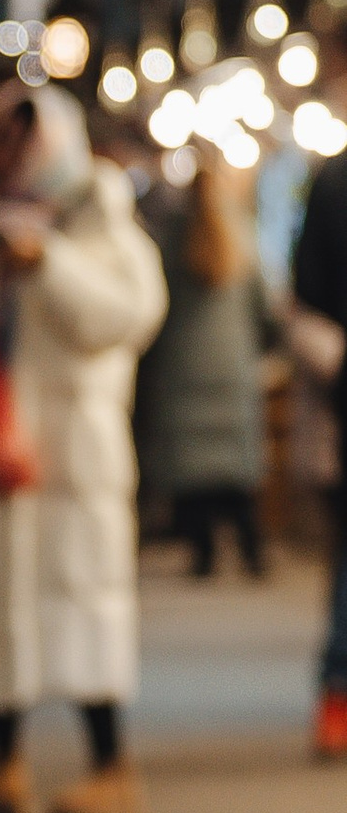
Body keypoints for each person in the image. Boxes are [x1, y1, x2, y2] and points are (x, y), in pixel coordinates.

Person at [0, 81, 168, 813]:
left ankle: (111, 767)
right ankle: (4, 765)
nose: (10, 153)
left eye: (23, 137)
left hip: (73, 459)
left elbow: (125, 319)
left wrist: (46, 262)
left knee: (84, 601)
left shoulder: (101, 226)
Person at [138, 147, 277, 575]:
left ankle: (204, 556)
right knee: (237, 472)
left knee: (193, 470)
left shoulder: (169, 241)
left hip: (183, 369)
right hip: (232, 368)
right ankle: (252, 551)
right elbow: (266, 309)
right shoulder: (244, 239)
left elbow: (154, 308)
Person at [284, 87, 347, 755]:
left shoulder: (331, 178)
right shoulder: (334, 181)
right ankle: (337, 691)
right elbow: (305, 300)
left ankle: (337, 690)